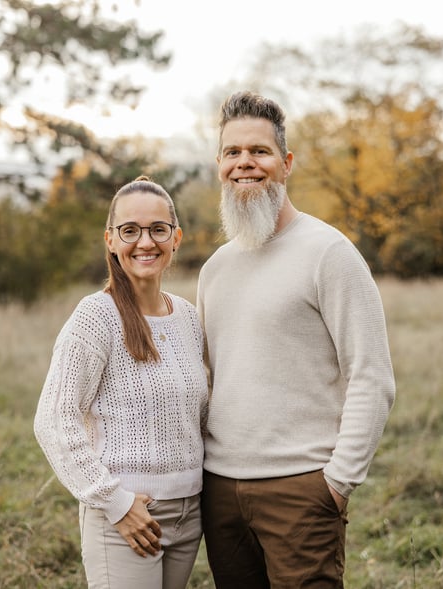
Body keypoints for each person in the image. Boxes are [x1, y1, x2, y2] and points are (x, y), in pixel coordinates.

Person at [196, 90, 396, 588]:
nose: (246, 163)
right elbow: (205, 378)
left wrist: (336, 483)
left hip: (302, 491)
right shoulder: (215, 269)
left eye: (259, 152)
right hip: (219, 491)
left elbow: (371, 375)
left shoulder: (328, 253)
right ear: (219, 164)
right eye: (233, 153)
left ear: (285, 164)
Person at [34, 177, 207, 588]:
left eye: (157, 229)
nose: (145, 242)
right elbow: (54, 420)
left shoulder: (187, 317)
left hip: (190, 514)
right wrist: (115, 503)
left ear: (176, 237)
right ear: (111, 240)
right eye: (130, 230)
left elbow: (198, 417)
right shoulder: (96, 316)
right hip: (126, 515)